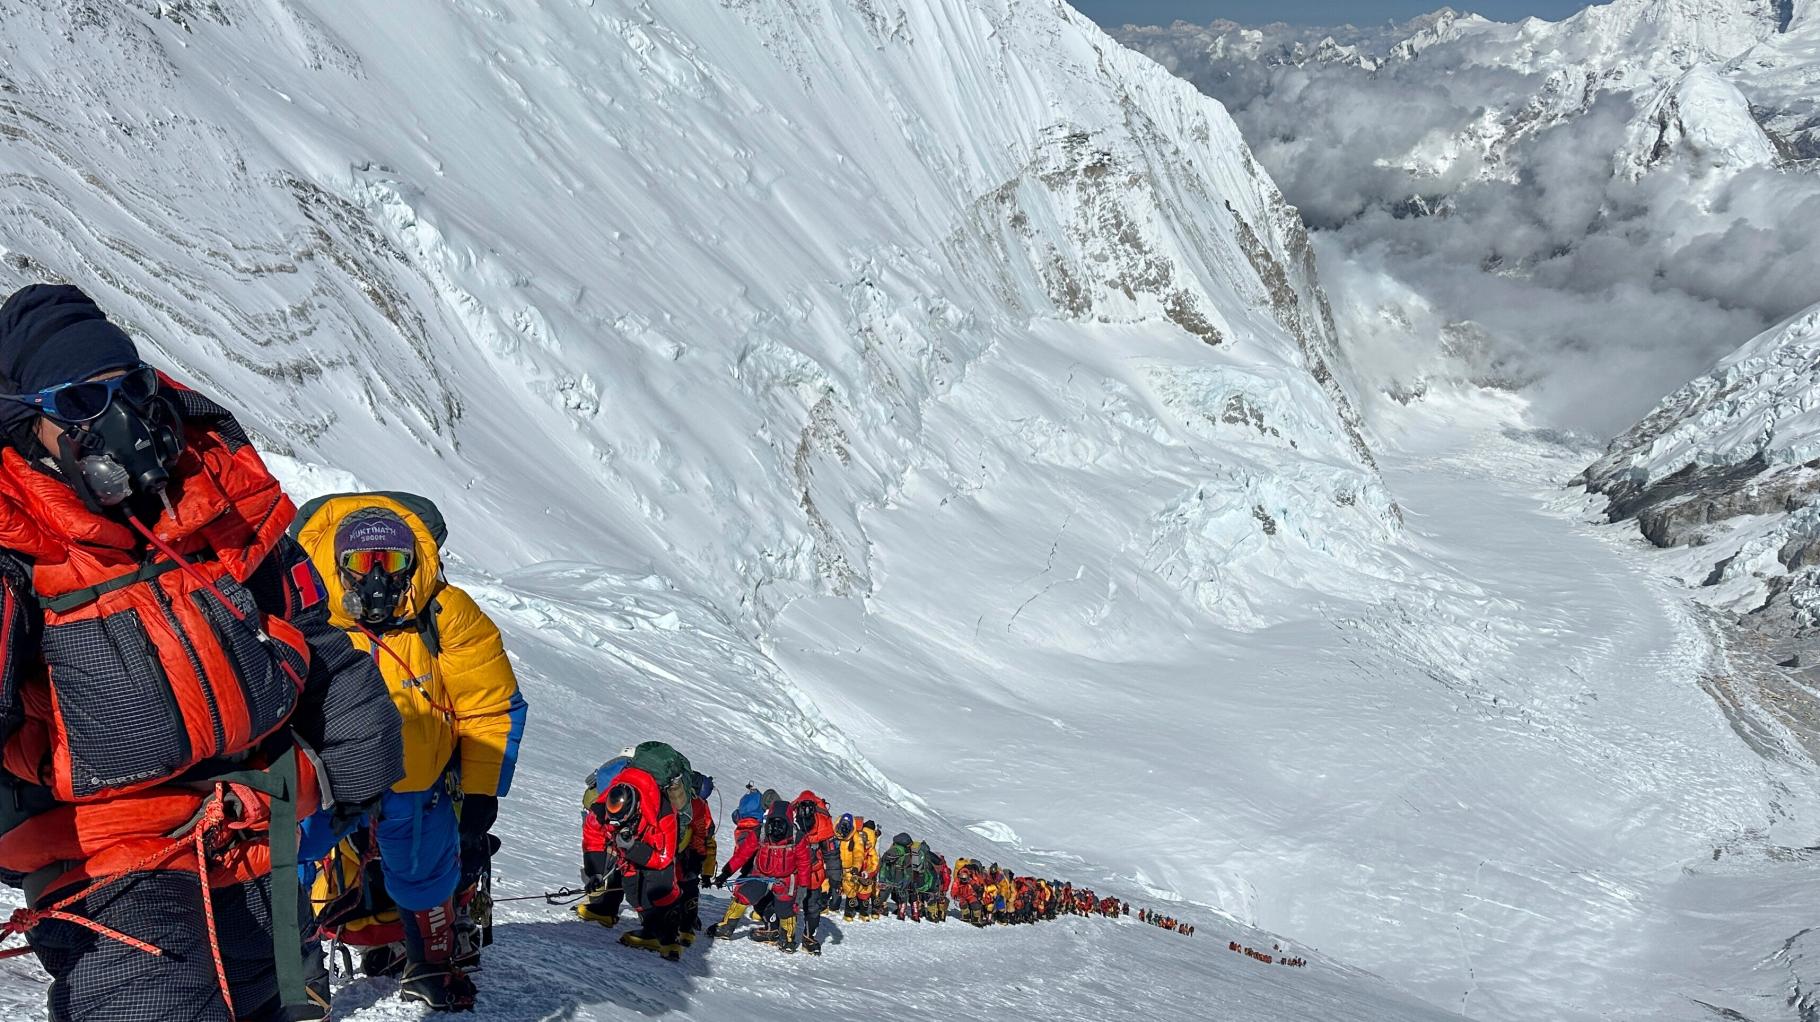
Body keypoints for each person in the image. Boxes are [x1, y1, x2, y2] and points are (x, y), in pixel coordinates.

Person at [0, 284, 404, 1022]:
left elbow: (311, 634)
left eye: (131, 390)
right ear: (31, 427)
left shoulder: (213, 506)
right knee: (157, 1002)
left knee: (265, 1001)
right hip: (105, 848)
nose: (120, 420)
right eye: (83, 404)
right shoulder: (16, 547)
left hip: (243, 818)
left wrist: (356, 758)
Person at [294, 493, 528, 1011]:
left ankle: (429, 964)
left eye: (393, 563)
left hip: (415, 781)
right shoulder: (304, 611)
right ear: (337, 565)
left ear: (415, 563)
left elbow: (489, 707)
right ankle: (296, 983)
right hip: (329, 779)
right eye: (361, 564)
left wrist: (481, 791)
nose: (377, 578)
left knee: (425, 871)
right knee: (284, 857)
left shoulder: (446, 614)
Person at [592, 742, 692, 961]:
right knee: (632, 890)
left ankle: (668, 941)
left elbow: (663, 858)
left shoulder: (664, 813)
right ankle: (651, 933)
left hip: (659, 849)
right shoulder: (606, 802)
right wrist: (595, 870)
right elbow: (593, 833)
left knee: (659, 890)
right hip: (632, 850)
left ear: (635, 809)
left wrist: (634, 848)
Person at [711, 802, 806, 952]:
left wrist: (804, 887)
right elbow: (743, 854)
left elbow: (804, 864)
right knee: (742, 895)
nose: (776, 829)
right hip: (761, 874)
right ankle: (726, 927)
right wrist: (726, 873)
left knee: (786, 909)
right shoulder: (759, 833)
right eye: (773, 823)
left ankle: (787, 940)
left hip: (786, 879)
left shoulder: (797, 838)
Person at [787, 791, 843, 955]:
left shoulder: (824, 824)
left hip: (812, 873)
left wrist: (835, 882)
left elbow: (831, 855)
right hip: (796, 871)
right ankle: (788, 935)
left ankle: (808, 936)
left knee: (811, 907)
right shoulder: (791, 818)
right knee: (790, 903)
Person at [676, 772, 717, 944]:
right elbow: (707, 841)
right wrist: (705, 870)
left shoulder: (677, 798)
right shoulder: (702, 807)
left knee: (671, 887)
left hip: (673, 852)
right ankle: (687, 926)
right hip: (692, 854)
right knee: (690, 888)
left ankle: (670, 923)